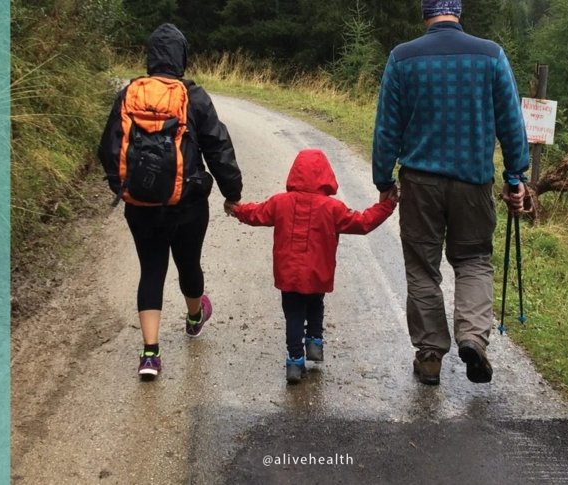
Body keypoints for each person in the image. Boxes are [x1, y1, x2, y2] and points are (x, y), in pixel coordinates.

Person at [371, 0, 528, 386]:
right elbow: (511, 122)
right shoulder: (491, 55)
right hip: (473, 181)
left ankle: (429, 356)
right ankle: (472, 337)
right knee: (473, 259)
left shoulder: (402, 58)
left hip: (420, 183)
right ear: (458, 12)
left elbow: (387, 128)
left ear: (425, 14)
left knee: (422, 267)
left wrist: (384, 181)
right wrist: (515, 177)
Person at [98, 23, 242, 379]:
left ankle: (150, 354)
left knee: (151, 269)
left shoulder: (129, 94)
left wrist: (125, 188)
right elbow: (218, 146)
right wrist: (232, 193)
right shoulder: (193, 96)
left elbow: (108, 149)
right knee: (188, 264)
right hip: (187, 204)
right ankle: (194, 317)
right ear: (182, 57)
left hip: (140, 205)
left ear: (150, 57)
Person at [228, 149, 396, 384]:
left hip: (288, 274)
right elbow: (362, 222)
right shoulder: (333, 208)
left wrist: (237, 209)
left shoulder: (280, 202)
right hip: (318, 273)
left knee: (293, 314)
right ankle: (315, 342)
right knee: (316, 304)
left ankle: (295, 361)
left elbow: (256, 213)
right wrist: (387, 206)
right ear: (326, 176)